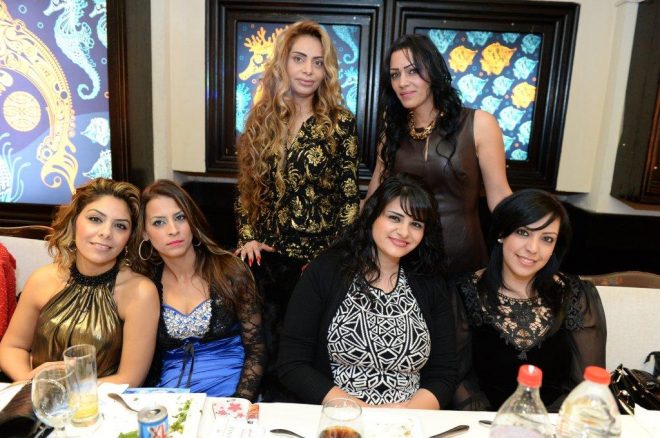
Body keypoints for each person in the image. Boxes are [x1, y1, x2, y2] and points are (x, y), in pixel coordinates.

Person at [234, 20, 360, 400]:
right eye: (299, 59)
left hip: (317, 264)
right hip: (268, 263)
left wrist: (332, 259)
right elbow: (246, 189)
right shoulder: (260, 119)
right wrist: (247, 237)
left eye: (318, 62)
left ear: (327, 70)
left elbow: (349, 199)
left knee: (309, 361)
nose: (308, 70)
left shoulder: (339, 123)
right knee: (268, 357)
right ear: (283, 64)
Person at [278, 173, 457, 409]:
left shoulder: (430, 282)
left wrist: (405, 415)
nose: (404, 232)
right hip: (338, 416)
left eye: (416, 224)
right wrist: (362, 411)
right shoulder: (326, 271)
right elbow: (292, 363)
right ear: (373, 215)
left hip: (409, 420)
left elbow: (444, 374)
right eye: (395, 218)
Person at [366, 34, 512, 276]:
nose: (402, 82)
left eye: (412, 71)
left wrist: (526, 239)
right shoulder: (391, 134)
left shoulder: (479, 124)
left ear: (433, 72)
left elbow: (499, 196)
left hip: (464, 259)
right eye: (395, 75)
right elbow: (374, 200)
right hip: (406, 261)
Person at [450, 189, 606, 412]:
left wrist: (543, 425)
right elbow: (457, 379)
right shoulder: (465, 292)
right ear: (502, 233)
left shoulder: (575, 295)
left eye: (547, 239)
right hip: (482, 423)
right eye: (523, 232)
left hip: (554, 424)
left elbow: (585, 386)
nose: (533, 248)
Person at [0, 178, 159, 386]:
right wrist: (34, 384)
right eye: (95, 219)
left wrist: (70, 390)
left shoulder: (140, 292)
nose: (106, 233)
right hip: (36, 397)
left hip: (99, 402)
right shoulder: (42, 279)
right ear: (74, 221)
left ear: (129, 237)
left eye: (120, 226)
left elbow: (129, 378)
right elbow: (11, 347)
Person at [135, 180, 264, 400]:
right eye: (159, 222)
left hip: (230, 392)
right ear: (145, 233)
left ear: (191, 220)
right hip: (171, 398)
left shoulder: (230, 271)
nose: (173, 230)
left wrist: (238, 402)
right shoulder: (145, 284)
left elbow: (256, 351)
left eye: (180, 217)